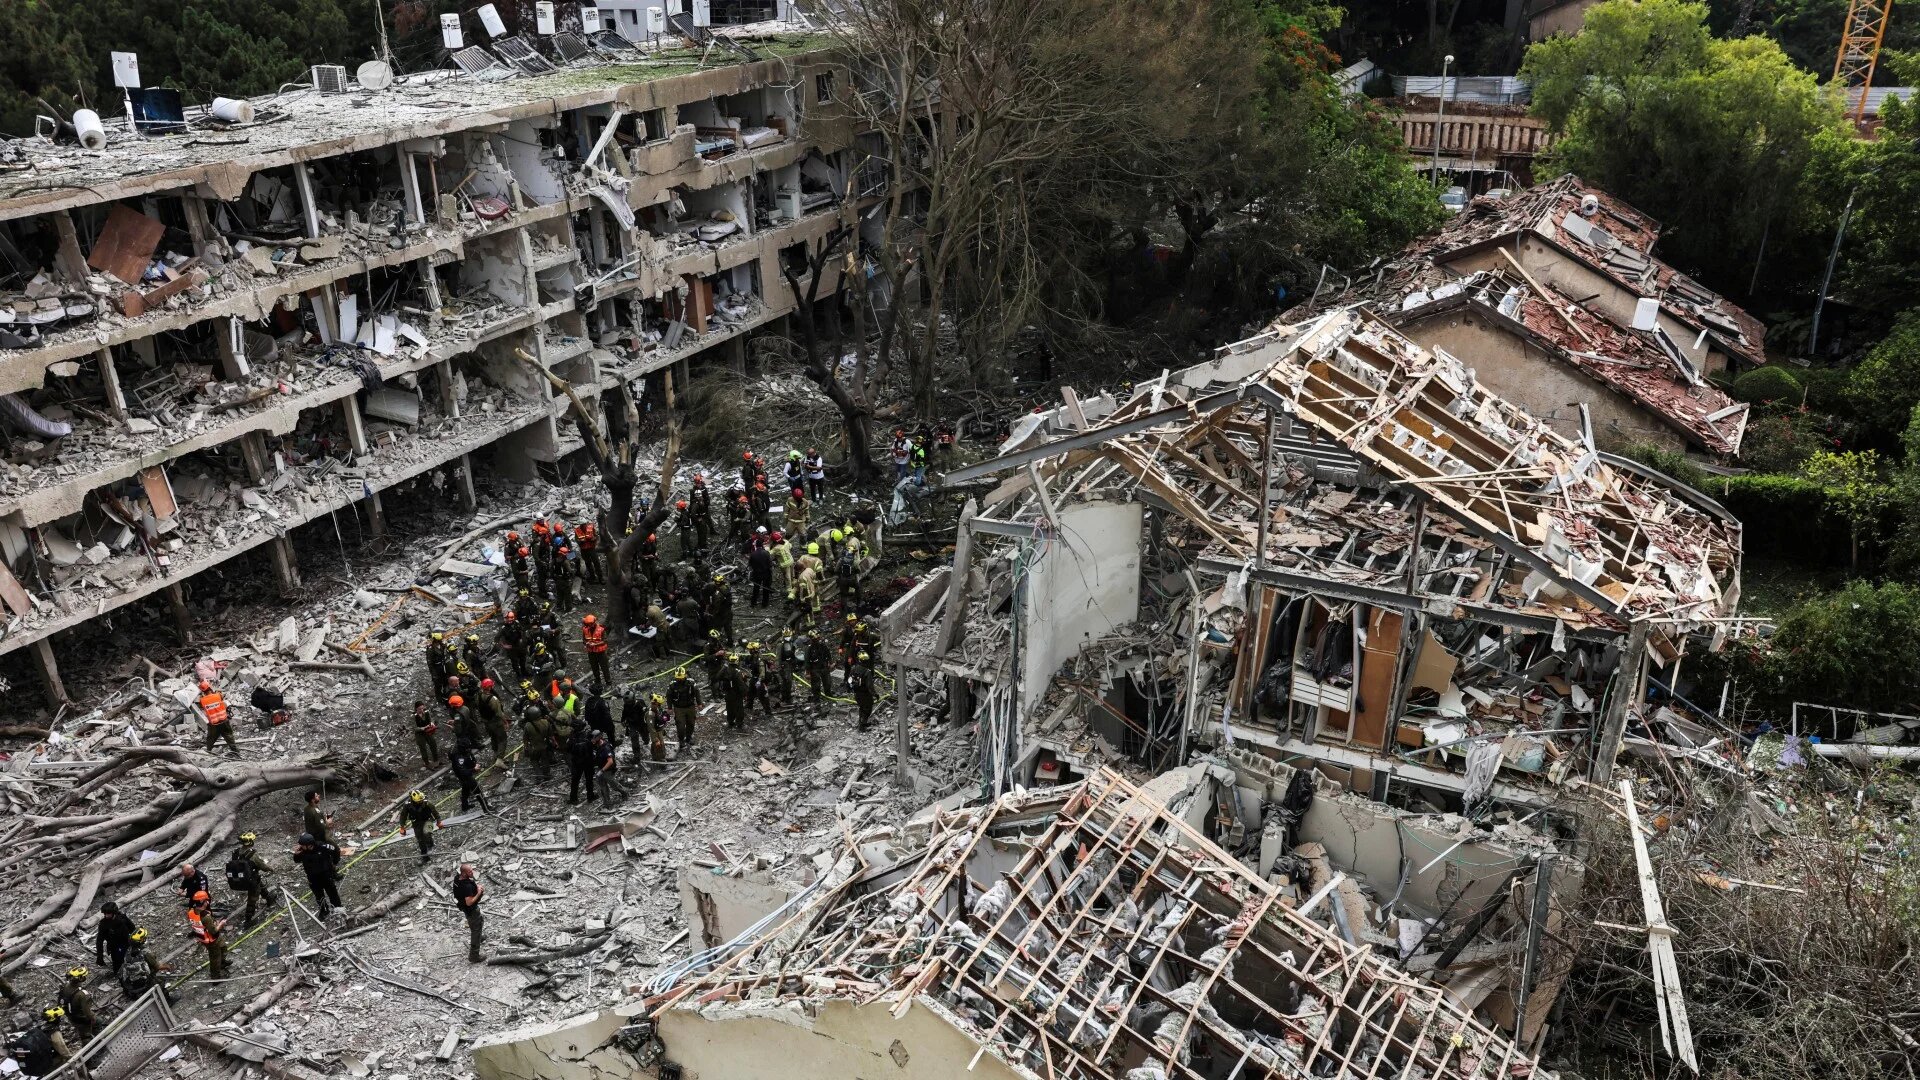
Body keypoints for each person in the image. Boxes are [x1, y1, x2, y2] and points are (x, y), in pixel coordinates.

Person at [225, 833, 272, 928]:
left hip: (239, 879)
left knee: (259, 884)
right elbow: (262, 866)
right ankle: (248, 919)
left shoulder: (236, 852)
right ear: (251, 842)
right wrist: (270, 869)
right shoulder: (252, 854)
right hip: (250, 880)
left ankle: (268, 898)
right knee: (253, 898)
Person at [294, 833, 343, 919]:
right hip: (313, 878)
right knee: (319, 896)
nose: (300, 846)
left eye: (302, 845)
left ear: (309, 845)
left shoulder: (322, 846)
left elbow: (335, 850)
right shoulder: (302, 851)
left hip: (326, 875)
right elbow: (296, 860)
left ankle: (338, 909)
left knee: (332, 893)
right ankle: (324, 910)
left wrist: (335, 862)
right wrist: (296, 854)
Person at [11, 1008, 73, 1076]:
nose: (60, 1019)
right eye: (59, 1017)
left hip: (41, 1060)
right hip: (51, 1061)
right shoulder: (54, 1032)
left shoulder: (41, 1028)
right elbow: (61, 1046)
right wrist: (70, 1058)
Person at [188, 890, 228, 979]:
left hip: (203, 937)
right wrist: (221, 924)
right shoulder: (206, 917)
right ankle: (215, 977)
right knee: (215, 959)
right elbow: (213, 931)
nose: (207, 902)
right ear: (203, 902)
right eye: (206, 900)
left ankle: (223, 962)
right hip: (211, 940)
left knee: (223, 947)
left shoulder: (191, 912)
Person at [453, 864, 486, 963]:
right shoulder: (466, 887)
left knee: (478, 922)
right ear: (463, 873)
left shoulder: (457, 879)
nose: (472, 873)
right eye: (470, 872)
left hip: (464, 908)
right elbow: (469, 902)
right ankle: (474, 956)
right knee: (476, 928)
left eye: (472, 870)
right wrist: (479, 892)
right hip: (470, 909)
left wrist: (476, 887)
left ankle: (479, 937)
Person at [398, 790, 442, 863]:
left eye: (421, 801)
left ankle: (430, 844)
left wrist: (439, 821)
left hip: (428, 820)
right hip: (416, 823)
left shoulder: (427, 803)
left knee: (427, 834)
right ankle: (425, 856)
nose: (420, 802)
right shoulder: (407, 805)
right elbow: (403, 816)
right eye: (418, 801)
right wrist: (402, 827)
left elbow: (435, 812)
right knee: (420, 840)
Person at [450, 740, 492, 814]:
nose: (469, 750)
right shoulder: (459, 758)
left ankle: (464, 806)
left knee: (465, 789)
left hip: (466, 772)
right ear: (463, 749)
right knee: (477, 791)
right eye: (467, 749)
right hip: (463, 775)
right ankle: (486, 808)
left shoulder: (466, 751)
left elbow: (471, 758)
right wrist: (473, 769)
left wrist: (475, 764)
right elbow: (463, 772)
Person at [197, 679, 237, 754]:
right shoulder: (218, 695)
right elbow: (221, 698)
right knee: (229, 736)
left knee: (210, 738)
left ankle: (208, 752)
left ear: (203, 691)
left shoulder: (202, 700)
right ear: (210, 688)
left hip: (214, 724)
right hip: (224, 721)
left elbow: (202, 706)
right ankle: (235, 752)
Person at [57, 967, 98, 1040]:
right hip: (81, 1018)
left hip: (71, 1016)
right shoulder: (82, 994)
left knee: (81, 1031)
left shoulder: (65, 986)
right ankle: (97, 1038)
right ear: (81, 978)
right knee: (97, 1023)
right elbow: (87, 1012)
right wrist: (93, 1018)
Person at [95, 901, 135, 974]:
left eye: (108, 914)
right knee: (118, 970)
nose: (106, 916)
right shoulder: (103, 924)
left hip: (127, 943)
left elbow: (133, 929)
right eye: (105, 914)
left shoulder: (123, 918)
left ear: (114, 912)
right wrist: (99, 957)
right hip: (115, 948)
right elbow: (99, 941)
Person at [591, 731, 627, 809]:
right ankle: (608, 804)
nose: (592, 740)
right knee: (602, 787)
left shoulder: (606, 747)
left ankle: (624, 793)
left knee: (614, 785)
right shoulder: (596, 746)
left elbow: (610, 761)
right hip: (600, 768)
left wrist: (602, 771)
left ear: (598, 737)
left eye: (593, 738)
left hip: (607, 770)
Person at [667, 669, 701, 750]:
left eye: (681, 678)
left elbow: (697, 693)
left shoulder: (691, 682)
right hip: (679, 708)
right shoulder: (672, 685)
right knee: (680, 725)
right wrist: (669, 708)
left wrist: (699, 703)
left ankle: (689, 737)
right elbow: (669, 696)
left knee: (691, 723)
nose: (679, 679)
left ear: (685, 675)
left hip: (690, 707)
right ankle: (681, 739)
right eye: (678, 678)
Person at [119, 928, 157, 999]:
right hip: (141, 985)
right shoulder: (145, 952)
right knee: (159, 982)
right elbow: (157, 967)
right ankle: (168, 999)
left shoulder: (128, 951)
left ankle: (131, 994)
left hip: (129, 984)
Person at [566, 723, 598, 806]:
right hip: (588, 761)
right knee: (589, 780)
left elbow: (568, 750)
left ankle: (573, 799)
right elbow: (594, 746)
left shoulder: (571, 738)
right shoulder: (588, 736)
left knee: (575, 781)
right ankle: (590, 796)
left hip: (577, 762)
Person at [848, 652, 877, 731]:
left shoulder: (854, 668)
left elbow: (850, 680)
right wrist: (875, 694)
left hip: (857, 693)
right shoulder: (867, 672)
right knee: (867, 709)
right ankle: (862, 727)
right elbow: (870, 686)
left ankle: (862, 723)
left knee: (862, 708)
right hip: (865, 694)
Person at [582, 614, 611, 687]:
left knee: (604, 668)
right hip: (591, 653)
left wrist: (595, 644)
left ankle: (608, 683)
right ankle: (598, 681)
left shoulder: (601, 629)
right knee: (594, 668)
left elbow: (605, 640)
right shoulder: (585, 629)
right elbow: (584, 640)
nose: (590, 625)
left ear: (594, 622)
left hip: (601, 653)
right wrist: (587, 643)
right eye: (588, 624)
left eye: (591, 624)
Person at [411, 700, 441, 767]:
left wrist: (431, 723)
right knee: (423, 748)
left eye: (422, 708)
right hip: (420, 734)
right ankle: (426, 762)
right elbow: (414, 728)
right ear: (416, 709)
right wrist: (423, 728)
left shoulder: (426, 712)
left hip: (428, 731)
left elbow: (430, 720)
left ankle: (436, 760)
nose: (421, 710)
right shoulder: (414, 716)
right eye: (419, 709)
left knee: (433, 744)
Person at [748, 538, 773, 608]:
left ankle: (753, 603)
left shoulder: (753, 554)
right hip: (766, 574)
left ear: (756, 545)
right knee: (766, 589)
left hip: (757, 574)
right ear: (762, 545)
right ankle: (764, 604)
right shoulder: (766, 553)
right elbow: (770, 564)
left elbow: (750, 564)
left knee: (756, 588)